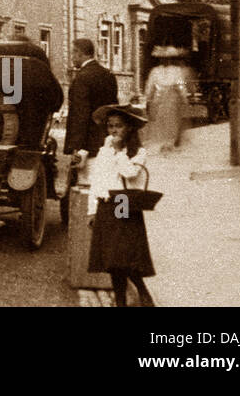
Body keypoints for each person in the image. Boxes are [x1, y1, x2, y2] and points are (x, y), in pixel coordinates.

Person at [86, 103, 155, 307]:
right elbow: (97, 178)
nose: (114, 130)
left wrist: (119, 152)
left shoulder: (138, 151)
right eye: (110, 126)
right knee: (113, 260)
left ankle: (141, 292)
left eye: (119, 126)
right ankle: (123, 301)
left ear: (129, 128)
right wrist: (92, 210)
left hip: (123, 201)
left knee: (123, 256)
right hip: (106, 204)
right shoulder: (105, 149)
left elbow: (130, 173)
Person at [64, 37, 119, 183]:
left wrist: (76, 147)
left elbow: (80, 115)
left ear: (80, 53)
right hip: (106, 139)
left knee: (85, 182)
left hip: (87, 144)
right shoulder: (108, 75)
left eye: (72, 54)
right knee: (105, 180)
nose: (72, 58)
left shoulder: (82, 78)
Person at [144, 49, 189, 152]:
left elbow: (181, 86)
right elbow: (150, 87)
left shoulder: (174, 70)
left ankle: (168, 144)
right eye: (163, 59)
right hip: (161, 101)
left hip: (168, 100)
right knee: (162, 123)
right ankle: (164, 145)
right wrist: (148, 100)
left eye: (167, 59)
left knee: (169, 122)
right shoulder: (156, 71)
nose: (165, 61)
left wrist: (183, 98)